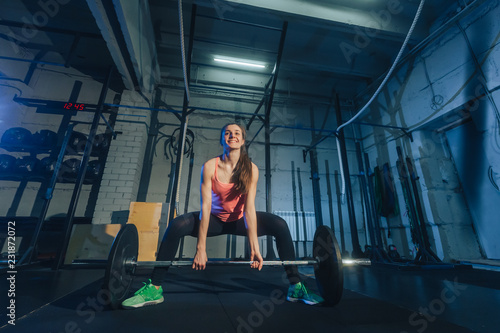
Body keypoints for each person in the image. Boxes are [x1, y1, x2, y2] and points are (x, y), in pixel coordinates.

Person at [122, 123, 323, 309]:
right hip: (215, 220)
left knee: (279, 225)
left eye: (237, 133)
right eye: (227, 133)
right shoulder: (210, 166)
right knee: (176, 225)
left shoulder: (251, 169)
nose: (232, 136)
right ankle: (155, 289)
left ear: (243, 141)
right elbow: (206, 206)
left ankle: (295, 286)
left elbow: (249, 208)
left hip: (239, 220)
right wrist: (201, 248)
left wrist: (254, 247)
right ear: (222, 140)